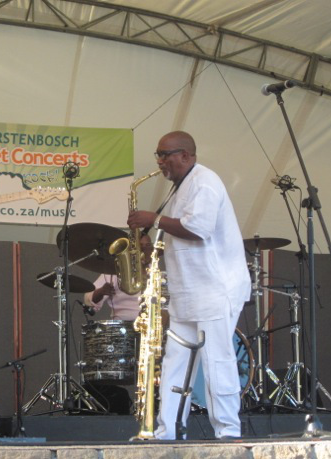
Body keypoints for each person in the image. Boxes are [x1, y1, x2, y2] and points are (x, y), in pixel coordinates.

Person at [127, 130, 250, 440]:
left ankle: (228, 432)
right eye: (158, 155)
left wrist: (153, 220)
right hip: (187, 293)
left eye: (165, 154)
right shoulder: (179, 188)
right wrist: (151, 246)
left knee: (216, 360)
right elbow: (180, 237)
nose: (160, 161)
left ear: (186, 155)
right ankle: (166, 431)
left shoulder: (204, 182)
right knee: (175, 362)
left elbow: (198, 229)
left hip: (215, 289)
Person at [83, 234, 154, 320]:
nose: (143, 249)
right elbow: (88, 298)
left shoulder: (156, 272)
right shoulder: (117, 272)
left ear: (152, 249)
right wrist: (101, 291)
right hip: (122, 325)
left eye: (148, 245)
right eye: (140, 245)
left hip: (151, 325)